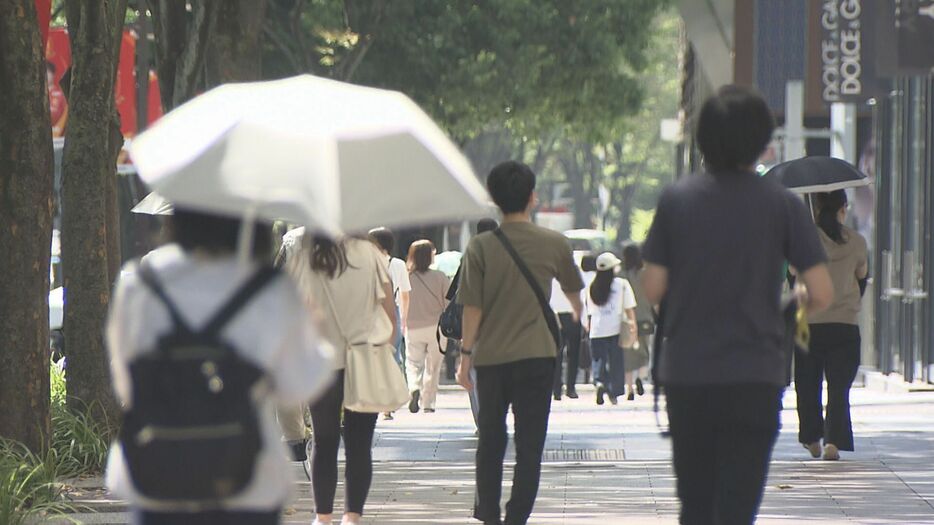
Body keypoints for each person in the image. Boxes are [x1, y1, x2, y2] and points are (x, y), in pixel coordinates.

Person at [642, 85, 834, 525]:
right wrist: (791, 302)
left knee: (696, 504)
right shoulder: (783, 204)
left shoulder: (678, 200)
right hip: (756, 375)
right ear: (763, 141)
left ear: (703, 138)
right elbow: (821, 292)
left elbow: (653, 286)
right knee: (736, 508)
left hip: (690, 374)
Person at [106, 209, 333, 524]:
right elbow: (300, 385)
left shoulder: (141, 283)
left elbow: (126, 382)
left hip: (155, 468)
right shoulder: (268, 287)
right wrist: (316, 331)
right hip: (248, 475)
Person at [456, 161, 584, 525]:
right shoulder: (554, 243)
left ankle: (490, 516)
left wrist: (465, 357)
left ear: (494, 200)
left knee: (491, 441)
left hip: (491, 358)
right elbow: (575, 294)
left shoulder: (480, 247)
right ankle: (516, 518)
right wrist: (577, 316)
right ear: (533, 198)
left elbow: (473, 308)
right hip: (537, 357)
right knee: (530, 445)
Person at [278, 228, 397, 525]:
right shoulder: (372, 256)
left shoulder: (306, 259)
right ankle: (352, 516)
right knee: (359, 444)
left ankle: (323, 517)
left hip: (323, 360)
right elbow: (389, 313)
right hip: (365, 359)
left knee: (324, 439)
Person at [795, 190, 868, 461]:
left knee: (807, 382)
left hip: (810, 322)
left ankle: (812, 438)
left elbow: (793, 273)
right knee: (839, 387)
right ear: (843, 208)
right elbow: (862, 277)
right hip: (844, 324)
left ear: (815, 209)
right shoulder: (857, 242)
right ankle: (833, 443)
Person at [405, 239, 450, 413]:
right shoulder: (440, 277)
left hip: (413, 326)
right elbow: (448, 302)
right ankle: (428, 403)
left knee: (413, 362)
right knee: (433, 366)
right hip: (436, 328)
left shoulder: (408, 277)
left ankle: (413, 387)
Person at [586, 252, 637, 406]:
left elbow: (589, 310)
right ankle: (614, 392)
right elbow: (629, 308)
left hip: (596, 329)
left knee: (598, 360)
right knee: (615, 361)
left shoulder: (592, 286)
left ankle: (600, 383)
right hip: (615, 329)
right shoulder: (621, 284)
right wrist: (633, 326)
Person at [621, 244, 652, 400]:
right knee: (644, 352)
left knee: (628, 354)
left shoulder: (620, 276)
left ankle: (629, 388)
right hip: (645, 317)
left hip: (626, 320)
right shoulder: (646, 275)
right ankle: (641, 376)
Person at [549, 263, 584, 400]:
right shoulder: (574, 274)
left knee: (557, 354)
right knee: (573, 354)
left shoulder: (551, 275)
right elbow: (581, 297)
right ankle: (570, 388)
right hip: (572, 314)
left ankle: (557, 389)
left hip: (558, 315)